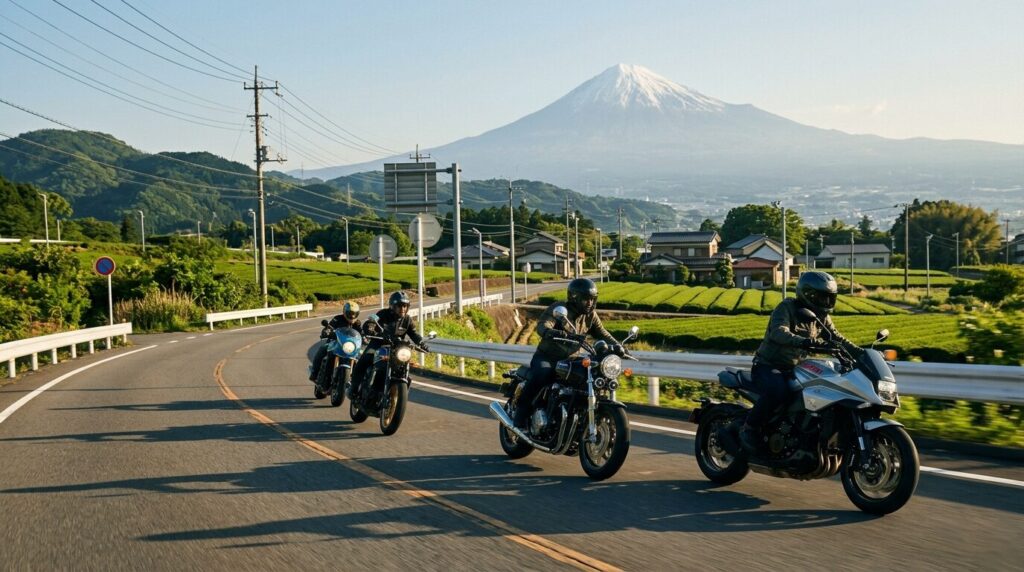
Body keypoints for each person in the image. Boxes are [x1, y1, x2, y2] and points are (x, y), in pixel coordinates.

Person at [739, 271, 864, 451]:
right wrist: (804, 341)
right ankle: (749, 428)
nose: (827, 302)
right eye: (823, 297)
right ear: (809, 294)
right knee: (779, 391)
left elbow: (836, 338)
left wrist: (862, 353)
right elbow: (778, 332)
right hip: (768, 366)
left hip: (796, 368)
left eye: (830, 298)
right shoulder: (786, 307)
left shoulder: (821, 317)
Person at [513, 277, 624, 430]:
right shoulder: (559, 308)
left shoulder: (590, 315)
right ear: (574, 298)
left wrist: (618, 346)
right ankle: (520, 415)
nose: (590, 303)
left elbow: (603, 333)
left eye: (592, 299)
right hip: (548, 357)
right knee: (542, 374)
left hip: (572, 359)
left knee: (589, 378)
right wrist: (549, 331)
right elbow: (543, 324)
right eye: (586, 300)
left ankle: (576, 417)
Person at [348, 291, 428, 399]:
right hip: (378, 344)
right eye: (400, 306)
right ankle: (354, 387)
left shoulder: (407, 320)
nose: (403, 309)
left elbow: (414, 334)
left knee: (403, 367)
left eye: (405, 306)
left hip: (396, 349)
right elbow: (371, 322)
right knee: (365, 359)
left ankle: (396, 394)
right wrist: (370, 329)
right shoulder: (383, 314)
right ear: (392, 306)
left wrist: (421, 343)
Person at [309, 301, 362, 384]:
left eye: (354, 313)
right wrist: (326, 331)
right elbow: (330, 326)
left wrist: (366, 337)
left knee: (361, 356)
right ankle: (314, 373)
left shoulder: (357, 323)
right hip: (335, 343)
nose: (352, 316)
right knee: (323, 349)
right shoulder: (337, 319)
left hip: (349, 347)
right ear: (345, 312)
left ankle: (357, 382)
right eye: (350, 313)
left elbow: (361, 333)